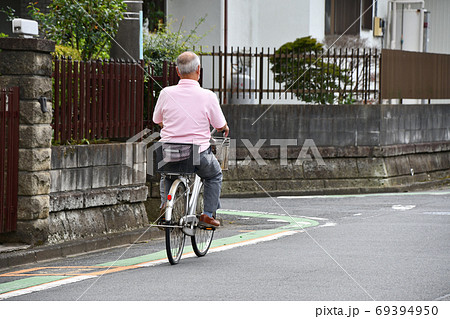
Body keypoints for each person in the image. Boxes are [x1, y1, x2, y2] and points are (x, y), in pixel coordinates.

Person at [153, 51, 229, 227]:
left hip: (168, 151)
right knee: (214, 175)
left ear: (178, 72)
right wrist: (224, 128)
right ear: (198, 70)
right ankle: (208, 215)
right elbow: (219, 124)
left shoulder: (166, 93)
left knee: (168, 173)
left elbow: (157, 120)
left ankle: (166, 207)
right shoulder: (208, 96)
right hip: (198, 152)